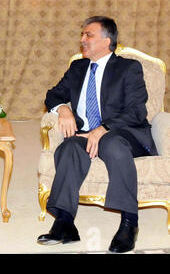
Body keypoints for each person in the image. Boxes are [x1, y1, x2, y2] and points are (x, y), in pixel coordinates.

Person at [37, 16, 157, 253]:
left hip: (123, 134)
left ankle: (129, 222)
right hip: (85, 135)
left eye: (88, 35)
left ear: (107, 40)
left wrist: (101, 130)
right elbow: (53, 94)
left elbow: (137, 110)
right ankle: (64, 222)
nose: (82, 40)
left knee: (111, 143)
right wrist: (63, 110)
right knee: (69, 147)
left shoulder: (128, 68)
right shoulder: (77, 68)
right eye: (82, 35)